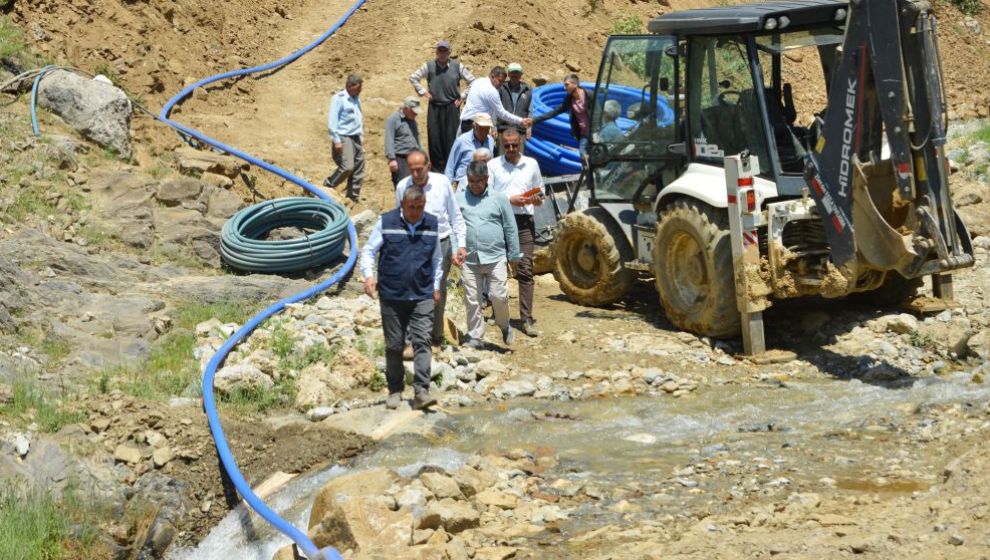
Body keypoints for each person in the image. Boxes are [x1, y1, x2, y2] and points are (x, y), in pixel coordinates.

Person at [359, 186, 441, 410]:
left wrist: (435, 286)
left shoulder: (432, 224)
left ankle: (422, 392)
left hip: (422, 294)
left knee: (422, 341)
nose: (416, 212)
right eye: (412, 207)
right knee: (394, 345)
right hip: (392, 295)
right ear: (402, 205)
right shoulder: (386, 222)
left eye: (420, 207)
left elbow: (437, 259)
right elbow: (368, 251)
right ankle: (395, 390)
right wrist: (368, 276)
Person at [396, 150, 467, 346]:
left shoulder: (442, 182)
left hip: (441, 243)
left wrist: (460, 244)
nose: (416, 174)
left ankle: (436, 336)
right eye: (412, 170)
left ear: (428, 166)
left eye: (420, 169)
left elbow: (455, 216)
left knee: (437, 291)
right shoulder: (403, 187)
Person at [456, 161, 520, 349]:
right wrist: (455, 248)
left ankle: (504, 325)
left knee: (499, 295)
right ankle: (475, 336)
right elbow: (454, 226)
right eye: (471, 181)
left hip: (495, 256)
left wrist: (514, 254)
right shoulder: (459, 198)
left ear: (486, 179)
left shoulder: (499, 198)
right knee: (472, 299)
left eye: (479, 181)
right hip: (470, 258)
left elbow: (510, 226)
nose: (475, 185)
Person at [487, 128, 544, 337]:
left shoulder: (531, 164)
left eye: (515, 145)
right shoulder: (493, 165)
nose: (511, 149)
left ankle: (526, 319)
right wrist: (510, 200)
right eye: (507, 145)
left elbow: (540, 190)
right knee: (496, 268)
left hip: (523, 222)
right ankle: (498, 312)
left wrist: (537, 199)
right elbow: (488, 194)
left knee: (526, 269)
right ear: (502, 144)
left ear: (520, 143)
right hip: (499, 221)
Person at [409, 40, 477, 174]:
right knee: (435, 138)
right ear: (436, 51)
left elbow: (473, 81)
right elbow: (413, 77)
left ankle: (451, 170)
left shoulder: (457, 66)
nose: (442, 53)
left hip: (452, 107)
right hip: (434, 107)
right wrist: (423, 92)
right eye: (439, 50)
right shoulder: (428, 66)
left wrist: (462, 96)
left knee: (451, 138)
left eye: (444, 50)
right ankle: (437, 171)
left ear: (449, 52)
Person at [324, 74, 365, 202]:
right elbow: (332, 121)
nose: (360, 91)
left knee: (359, 167)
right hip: (344, 136)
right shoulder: (339, 98)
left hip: (356, 137)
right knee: (347, 166)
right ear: (349, 86)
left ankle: (353, 196)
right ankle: (329, 184)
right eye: (358, 88)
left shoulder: (356, 99)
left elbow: (358, 119)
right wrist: (337, 141)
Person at [460, 66, 533, 134]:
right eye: (500, 81)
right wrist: (520, 121)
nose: (501, 84)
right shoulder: (492, 91)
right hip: (477, 125)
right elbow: (501, 113)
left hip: (465, 122)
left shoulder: (478, 81)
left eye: (503, 81)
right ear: (492, 77)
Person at [533, 73, 591, 156]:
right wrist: (534, 120)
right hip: (583, 135)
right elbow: (555, 112)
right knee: (583, 156)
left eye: (567, 85)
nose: (564, 88)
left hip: (594, 133)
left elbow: (598, 114)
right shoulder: (569, 99)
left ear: (575, 84)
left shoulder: (589, 95)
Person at [444, 113, 495, 189]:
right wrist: (447, 187)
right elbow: (450, 166)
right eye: (481, 129)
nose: (484, 133)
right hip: (464, 183)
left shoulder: (490, 140)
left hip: (484, 183)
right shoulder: (462, 141)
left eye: (486, 129)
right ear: (474, 126)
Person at [384, 96, 423, 186]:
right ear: (406, 109)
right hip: (400, 158)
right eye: (413, 112)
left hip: (414, 157)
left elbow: (417, 140)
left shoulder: (413, 121)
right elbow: (389, 140)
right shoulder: (393, 120)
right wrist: (392, 159)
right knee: (403, 184)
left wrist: (423, 156)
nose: (415, 114)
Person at [497, 62, 533, 154]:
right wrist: (493, 127)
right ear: (508, 74)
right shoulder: (501, 88)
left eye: (517, 73)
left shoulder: (527, 89)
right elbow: (495, 108)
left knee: (518, 157)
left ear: (521, 75)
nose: (515, 75)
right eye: (512, 73)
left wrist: (529, 128)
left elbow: (530, 110)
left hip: (520, 130)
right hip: (503, 128)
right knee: (502, 156)